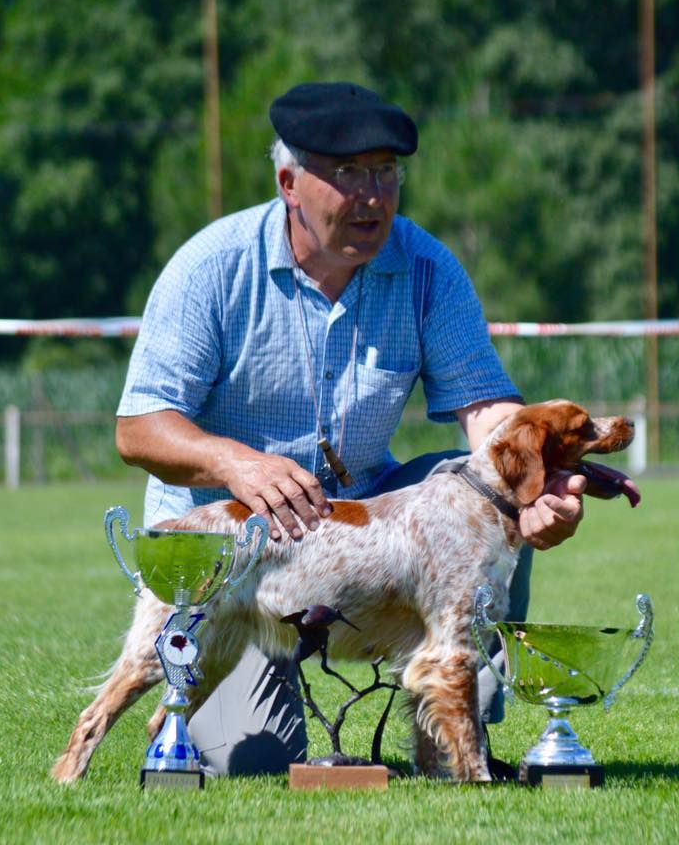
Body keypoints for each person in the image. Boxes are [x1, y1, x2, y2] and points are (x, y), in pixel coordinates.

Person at [115, 81, 586, 776]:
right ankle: (204, 706)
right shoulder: (211, 268)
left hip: (371, 545)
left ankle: (448, 743)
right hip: (238, 561)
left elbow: (490, 416)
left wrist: (536, 493)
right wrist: (237, 465)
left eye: (386, 172)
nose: (374, 196)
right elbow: (138, 428)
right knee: (251, 763)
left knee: (487, 495)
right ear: (289, 182)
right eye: (349, 174)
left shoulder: (428, 268)